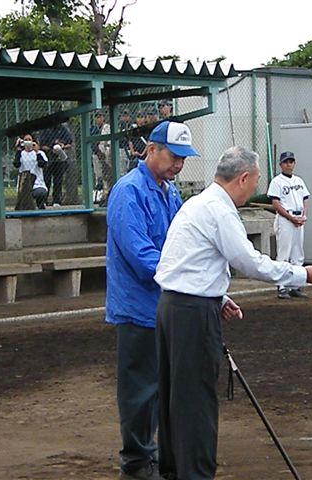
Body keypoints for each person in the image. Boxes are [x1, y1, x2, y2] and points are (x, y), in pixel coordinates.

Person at [154, 146, 312, 480]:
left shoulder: (198, 204)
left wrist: (218, 298)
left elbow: (185, 262)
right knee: (195, 399)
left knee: (175, 396)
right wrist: (302, 274)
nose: (256, 189)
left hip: (173, 307)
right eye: (256, 181)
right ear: (244, 177)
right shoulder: (218, 210)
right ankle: (195, 474)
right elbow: (248, 262)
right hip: (190, 312)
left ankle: (175, 471)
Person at [106, 121, 198, 480]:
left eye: (183, 159)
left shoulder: (169, 192)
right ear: (153, 150)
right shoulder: (129, 191)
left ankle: (149, 453)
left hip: (163, 302)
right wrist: (182, 277)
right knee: (139, 388)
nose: (178, 165)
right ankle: (135, 460)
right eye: (174, 157)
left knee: (159, 386)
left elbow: (181, 240)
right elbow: (140, 253)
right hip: (138, 306)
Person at [267, 151, 311, 299]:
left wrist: (304, 215)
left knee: (298, 254)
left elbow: (305, 199)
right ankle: (282, 286)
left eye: (291, 161)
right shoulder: (277, 181)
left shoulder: (299, 180)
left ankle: (295, 286)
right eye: (286, 162)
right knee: (284, 253)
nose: (289, 164)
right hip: (286, 218)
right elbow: (275, 203)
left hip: (299, 218)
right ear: (281, 164)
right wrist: (290, 217)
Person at [39, 123, 73, 206]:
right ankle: (44, 201)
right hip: (48, 158)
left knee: (58, 181)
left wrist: (63, 146)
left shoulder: (63, 129)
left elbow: (70, 143)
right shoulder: (46, 129)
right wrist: (51, 149)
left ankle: (56, 200)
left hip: (60, 159)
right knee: (46, 180)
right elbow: (42, 145)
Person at [13, 134, 48, 210]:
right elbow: (16, 164)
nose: (28, 142)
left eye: (29, 140)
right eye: (26, 140)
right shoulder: (21, 154)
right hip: (24, 182)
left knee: (41, 192)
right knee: (24, 195)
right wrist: (18, 149)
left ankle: (40, 205)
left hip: (37, 183)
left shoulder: (40, 153)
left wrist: (37, 151)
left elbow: (42, 164)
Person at [90, 111, 112, 204]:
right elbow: (91, 143)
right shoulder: (93, 129)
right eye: (97, 117)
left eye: (100, 116)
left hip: (106, 153)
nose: (98, 119)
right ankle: (99, 197)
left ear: (103, 117)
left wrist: (105, 153)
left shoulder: (107, 127)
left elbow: (110, 141)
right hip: (96, 154)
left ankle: (107, 195)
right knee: (98, 176)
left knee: (107, 175)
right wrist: (98, 152)